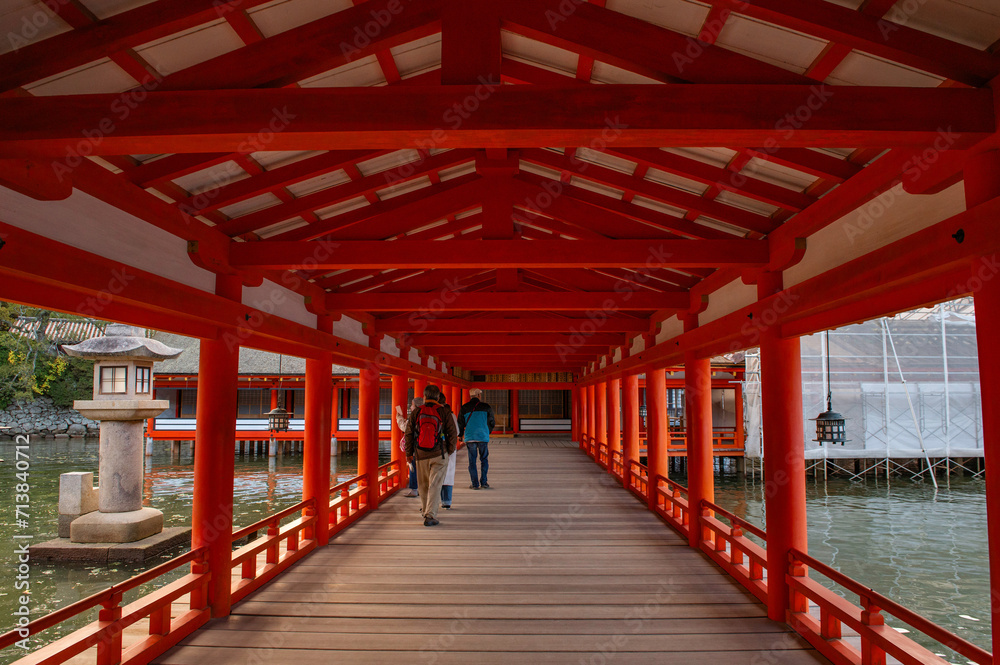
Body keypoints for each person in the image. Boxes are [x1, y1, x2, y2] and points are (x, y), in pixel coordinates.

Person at [404, 385, 457, 526]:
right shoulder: (444, 411)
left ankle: (425, 511)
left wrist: (409, 453)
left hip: (421, 454)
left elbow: (408, 433)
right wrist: (449, 451)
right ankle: (430, 514)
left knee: (423, 484)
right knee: (435, 484)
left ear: (425, 397)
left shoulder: (417, 412)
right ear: (438, 397)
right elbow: (453, 433)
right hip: (439, 454)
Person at [459, 388, 495, 490]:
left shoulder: (464, 408)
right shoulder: (486, 407)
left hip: (470, 437)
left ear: (470, 396)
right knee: (484, 459)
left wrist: (460, 434)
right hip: (483, 437)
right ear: (479, 395)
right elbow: (491, 421)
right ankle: (484, 482)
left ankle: (474, 484)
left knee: (472, 461)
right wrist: (487, 431)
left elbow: (460, 422)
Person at [437, 392, 459, 509]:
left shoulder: (430, 413)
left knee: (435, 476)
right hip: (448, 448)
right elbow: (457, 432)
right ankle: (446, 501)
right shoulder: (451, 415)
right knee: (448, 475)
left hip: (433, 449)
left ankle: (433, 503)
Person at [396, 398, 422, 498]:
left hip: (415, 447)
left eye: (412, 405)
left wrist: (399, 418)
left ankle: (414, 490)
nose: (410, 407)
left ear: (415, 406)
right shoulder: (426, 415)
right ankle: (424, 489)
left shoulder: (414, 417)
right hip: (426, 447)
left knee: (413, 468)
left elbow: (406, 428)